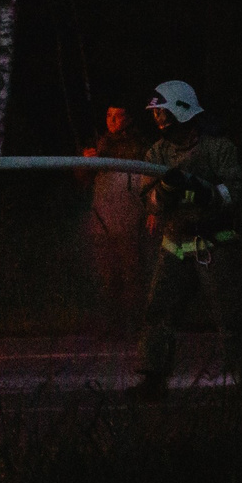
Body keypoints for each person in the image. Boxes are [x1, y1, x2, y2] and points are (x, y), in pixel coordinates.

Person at [129, 80, 242, 400]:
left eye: (163, 113)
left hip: (215, 243)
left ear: (181, 111)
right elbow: (149, 201)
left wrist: (210, 193)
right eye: (156, 115)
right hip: (175, 243)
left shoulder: (217, 148)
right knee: (159, 312)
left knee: (231, 314)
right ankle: (153, 379)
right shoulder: (156, 153)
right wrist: (166, 192)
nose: (159, 120)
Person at [80, 106, 149, 332]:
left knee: (133, 274)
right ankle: (111, 325)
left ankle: (135, 324)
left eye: (117, 115)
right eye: (108, 115)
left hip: (130, 218)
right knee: (106, 276)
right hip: (102, 219)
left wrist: (152, 211)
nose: (111, 120)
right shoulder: (100, 145)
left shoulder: (140, 145)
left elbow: (149, 181)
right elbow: (83, 180)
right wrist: (85, 162)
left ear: (128, 117)